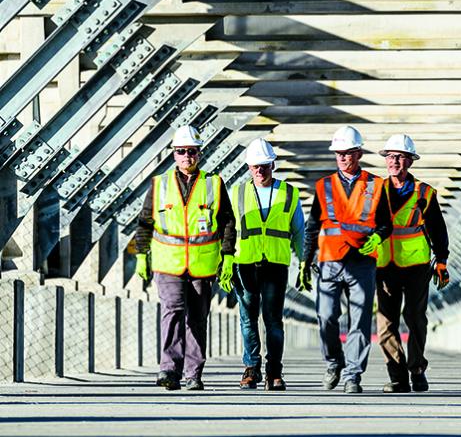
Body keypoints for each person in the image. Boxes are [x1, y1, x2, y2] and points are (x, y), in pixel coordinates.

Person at [134, 124, 236, 391]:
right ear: (174, 155)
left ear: (199, 154)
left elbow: (227, 221)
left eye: (191, 151)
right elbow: (145, 222)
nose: (186, 156)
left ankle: (193, 373)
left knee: (198, 318)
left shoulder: (213, 184)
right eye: (181, 151)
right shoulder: (159, 184)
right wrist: (141, 253)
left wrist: (227, 256)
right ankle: (168, 370)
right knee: (173, 310)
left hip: (202, 265)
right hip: (168, 263)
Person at [299, 125, 392, 394]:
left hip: (362, 262)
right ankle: (333, 362)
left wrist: (379, 237)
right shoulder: (324, 185)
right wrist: (306, 260)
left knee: (360, 321)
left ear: (358, 153)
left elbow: (385, 223)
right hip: (329, 260)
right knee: (326, 316)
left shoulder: (376, 185)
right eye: (339, 153)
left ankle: (353, 374)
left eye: (348, 153)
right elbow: (313, 225)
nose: (342, 158)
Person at [218, 137, 304, 391]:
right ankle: (251, 368)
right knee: (248, 319)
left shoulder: (289, 193)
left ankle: (274, 372)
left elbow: (298, 230)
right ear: (248, 167)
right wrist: (226, 258)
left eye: (265, 165)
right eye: (256, 166)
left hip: (276, 265)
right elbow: (228, 229)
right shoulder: (238, 193)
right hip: (245, 264)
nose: (260, 170)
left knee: (273, 321)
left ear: (273, 165)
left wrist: (305, 263)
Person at [375, 134, 449, 394]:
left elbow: (438, 228)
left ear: (409, 162)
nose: (395, 162)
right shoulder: (375, 190)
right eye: (391, 157)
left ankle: (417, 370)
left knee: (415, 318)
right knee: (386, 323)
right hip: (385, 265)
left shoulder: (424, 193)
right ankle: (397, 377)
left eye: (400, 157)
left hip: (417, 265)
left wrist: (442, 260)